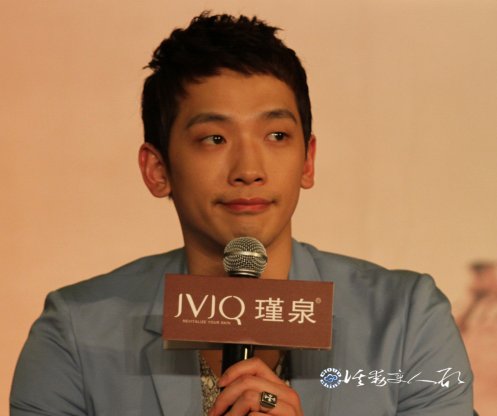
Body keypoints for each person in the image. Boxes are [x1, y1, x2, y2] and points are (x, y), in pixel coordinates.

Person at [10, 12, 473, 415]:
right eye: (214, 138)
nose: (249, 170)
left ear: (308, 161)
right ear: (158, 170)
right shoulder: (75, 332)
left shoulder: (407, 320)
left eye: (276, 136)